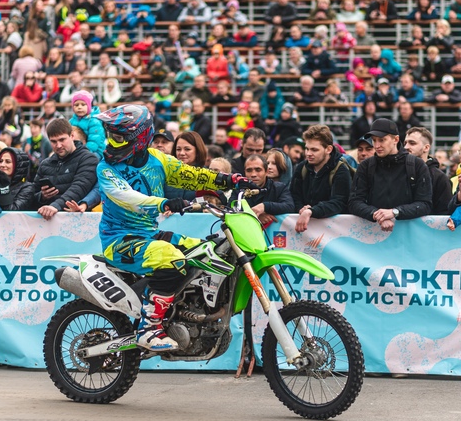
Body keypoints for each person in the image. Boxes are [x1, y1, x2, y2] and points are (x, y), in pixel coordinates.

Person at [94, 104, 250, 351]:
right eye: (111, 136)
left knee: (206, 250)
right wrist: (164, 203)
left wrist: (228, 180)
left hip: (149, 234)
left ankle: (187, 315)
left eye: (118, 137)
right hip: (120, 240)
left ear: (139, 136)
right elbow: (129, 198)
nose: (112, 143)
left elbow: (191, 174)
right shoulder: (106, 168)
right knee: (171, 259)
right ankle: (148, 328)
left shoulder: (158, 160)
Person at [349, 119, 432, 231]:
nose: (377, 145)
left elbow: (425, 204)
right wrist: (377, 215)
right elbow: (354, 202)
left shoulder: (417, 165)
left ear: (396, 139)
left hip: (408, 234)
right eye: (374, 140)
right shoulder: (366, 166)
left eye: (382, 140)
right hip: (372, 234)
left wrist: (395, 212)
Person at [290, 125, 352, 233]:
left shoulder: (341, 170)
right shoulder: (301, 168)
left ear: (328, 149)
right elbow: (294, 196)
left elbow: (339, 202)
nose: (308, 153)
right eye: (307, 149)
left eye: (314, 150)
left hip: (333, 232)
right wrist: (301, 209)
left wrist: (312, 211)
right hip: (305, 230)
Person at [34, 119, 99, 220]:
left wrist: (55, 206)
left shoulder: (89, 159)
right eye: (53, 141)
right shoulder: (45, 164)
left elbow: (79, 188)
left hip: (77, 222)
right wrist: (42, 196)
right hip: (46, 223)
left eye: (62, 140)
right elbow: (32, 193)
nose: (58, 145)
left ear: (72, 136)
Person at [405, 127, 452, 215]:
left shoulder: (440, 178)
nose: (406, 147)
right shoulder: (399, 172)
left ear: (426, 148)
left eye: (412, 143)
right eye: (405, 143)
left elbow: (444, 212)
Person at [245, 154, 295, 226]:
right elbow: (231, 210)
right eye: (249, 170)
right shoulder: (239, 189)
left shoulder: (279, 188)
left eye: (258, 170)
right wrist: (255, 216)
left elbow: (289, 206)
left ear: (267, 171)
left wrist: (265, 206)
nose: (253, 174)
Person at [69, 90, 105, 157]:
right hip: (77, 150)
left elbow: (93, 143)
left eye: (83, 104)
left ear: (89, 106)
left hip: (95, 151)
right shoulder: (71, 121)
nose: (79, 107)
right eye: (76, 105)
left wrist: (83, 153)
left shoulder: (94, 122)